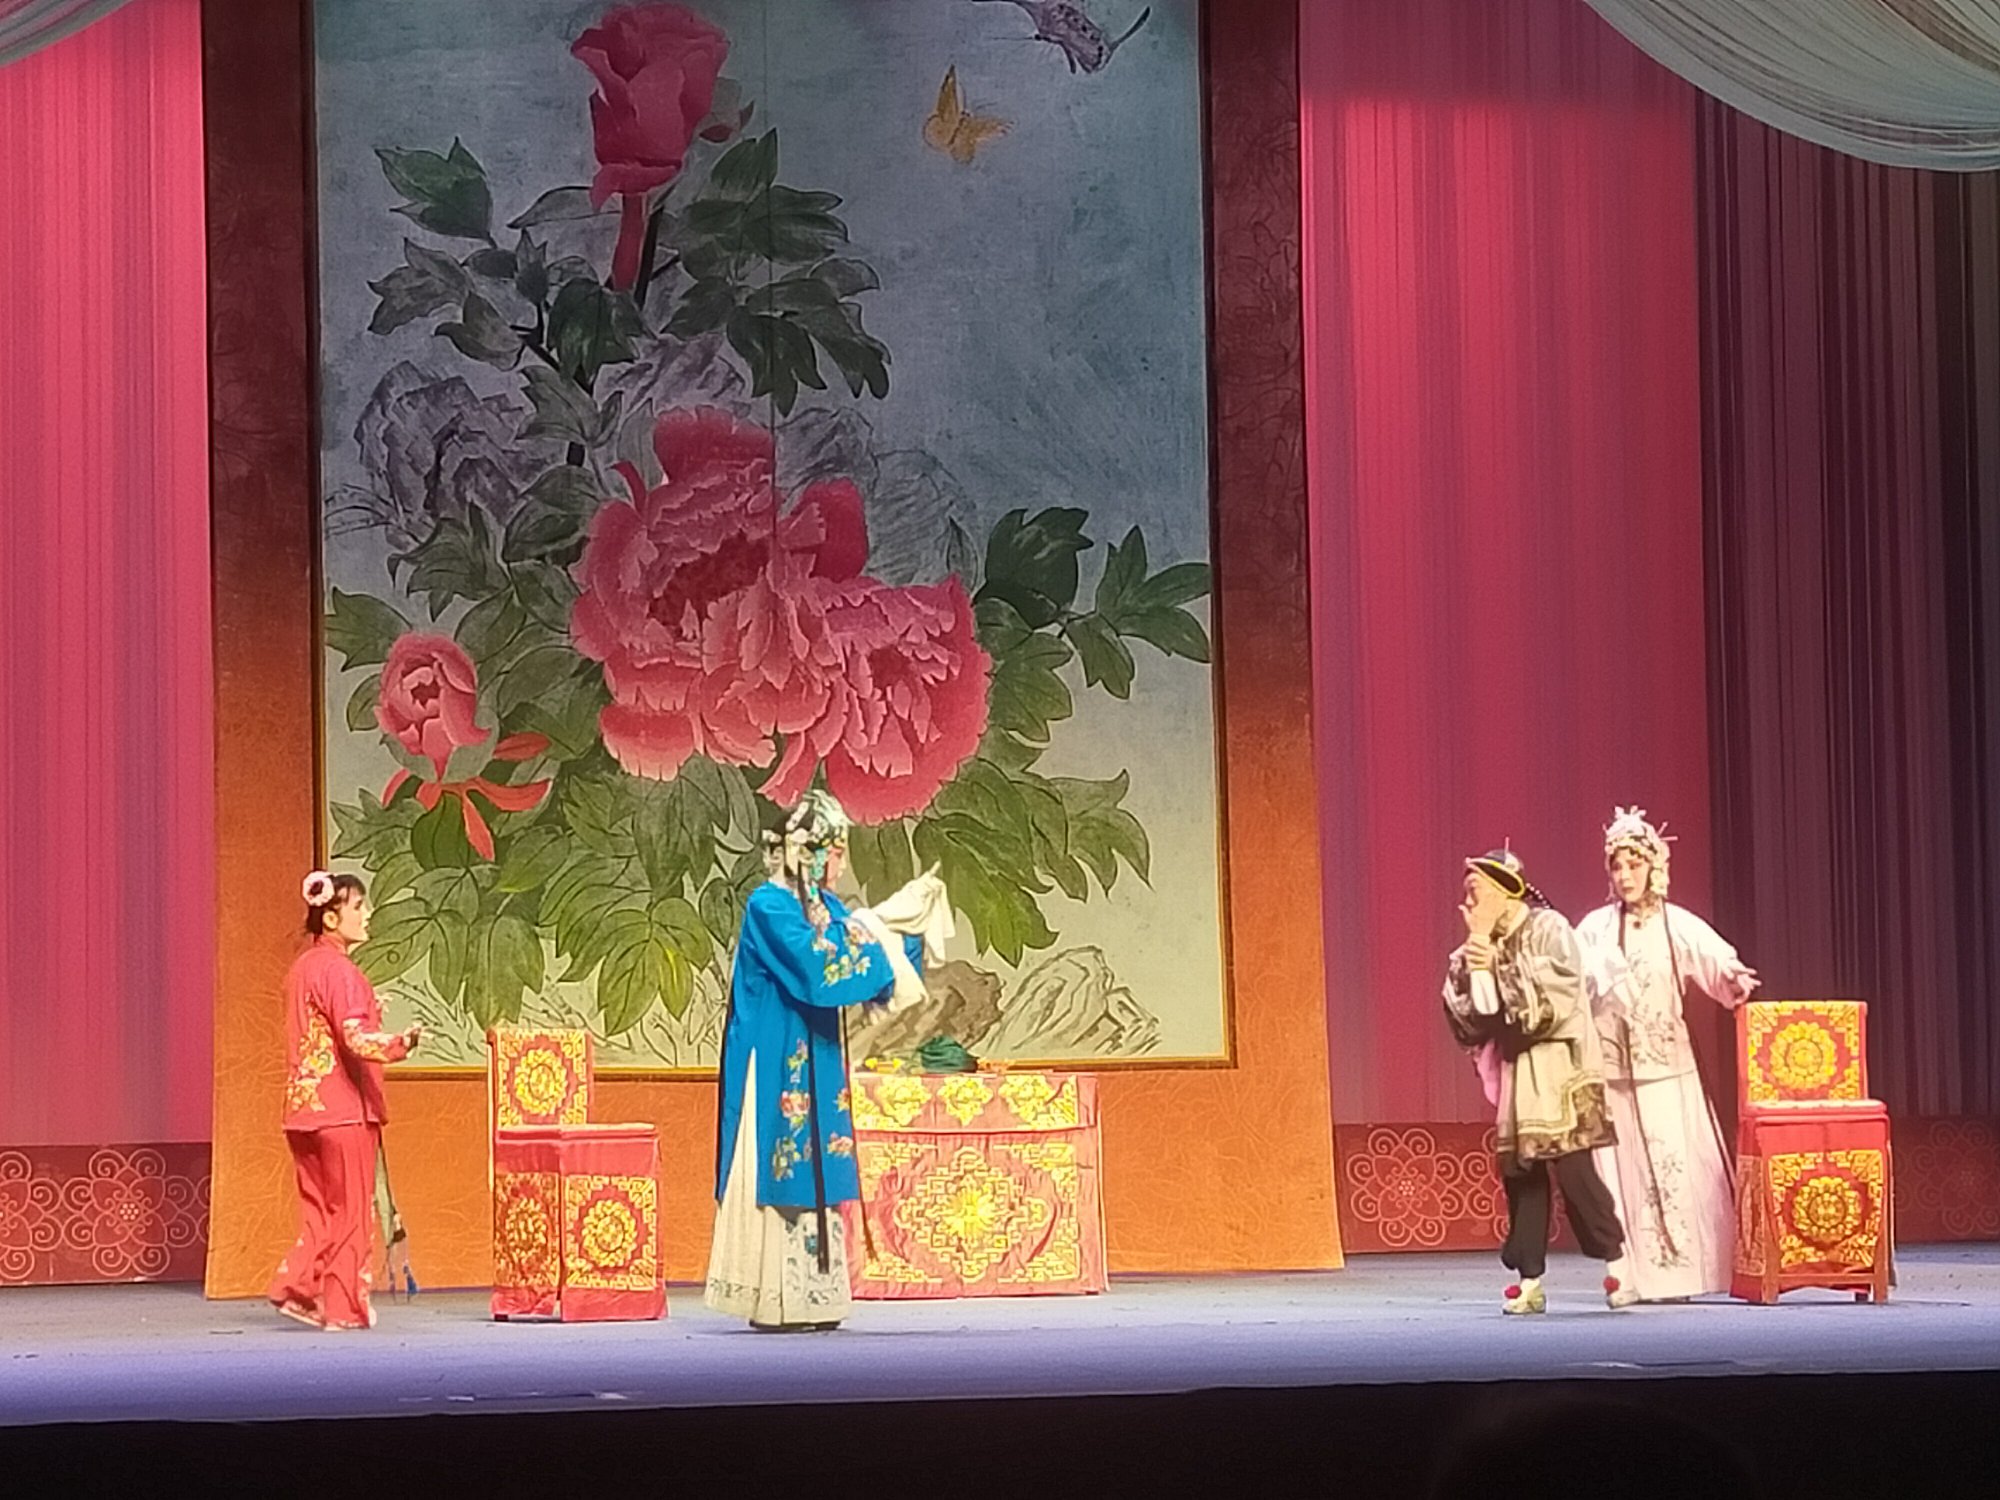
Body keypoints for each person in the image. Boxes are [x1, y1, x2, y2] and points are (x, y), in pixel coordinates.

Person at [703, 791, 921, 1331]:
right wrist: (879, 939)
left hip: (816, 1054)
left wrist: (905, 929)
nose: (840, 865)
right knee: (784, 1159)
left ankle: (817, 1297)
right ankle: (776, 1300)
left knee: (821, 1154)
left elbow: (859, 948)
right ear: (809, 853)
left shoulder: (827, 908)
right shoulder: (770, 906)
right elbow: (818, 968)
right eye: (834, 852)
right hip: (776, 1055)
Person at [1576, 808, 1757, 1303]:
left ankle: (1683, 1274)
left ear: (1654, 867)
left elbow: (1719, 966)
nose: (1625, 875)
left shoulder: (1678, 925)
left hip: (1668, 1073)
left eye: (1634, 864)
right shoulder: (1593, 928)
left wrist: (1733, 980)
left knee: (1676, 1171)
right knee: (1620, 1179)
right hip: (1612, 1074)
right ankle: (1626, 1275)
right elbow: (1569, 983)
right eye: (1617, 866)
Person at [1442, 849, 1631, 1314]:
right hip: (1519, 1072)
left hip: (1560, 1065)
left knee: (1575, 1172)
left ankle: (1617, 1265)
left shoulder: (1549, 928)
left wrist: (1497, 964)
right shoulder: (1478, 945)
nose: (1470, 903)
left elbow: (1556, 995)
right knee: (1522, 1174)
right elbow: (1476, 1015)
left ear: (1505, 891)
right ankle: (1530, 1280)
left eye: (1477, 892)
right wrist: (1479, 960)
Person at [268, 871, 422, 1330]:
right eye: (358, 907)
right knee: (352, 1211)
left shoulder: (303, 969)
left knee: (320, 1211)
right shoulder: (341, 971)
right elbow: (355, 1039)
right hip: (342, 1111)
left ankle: (297, 1289)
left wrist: (371, 1008)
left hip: (304, 1110)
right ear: (332, 917)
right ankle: (343, 1308)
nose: (367, 914)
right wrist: (399, 1043)